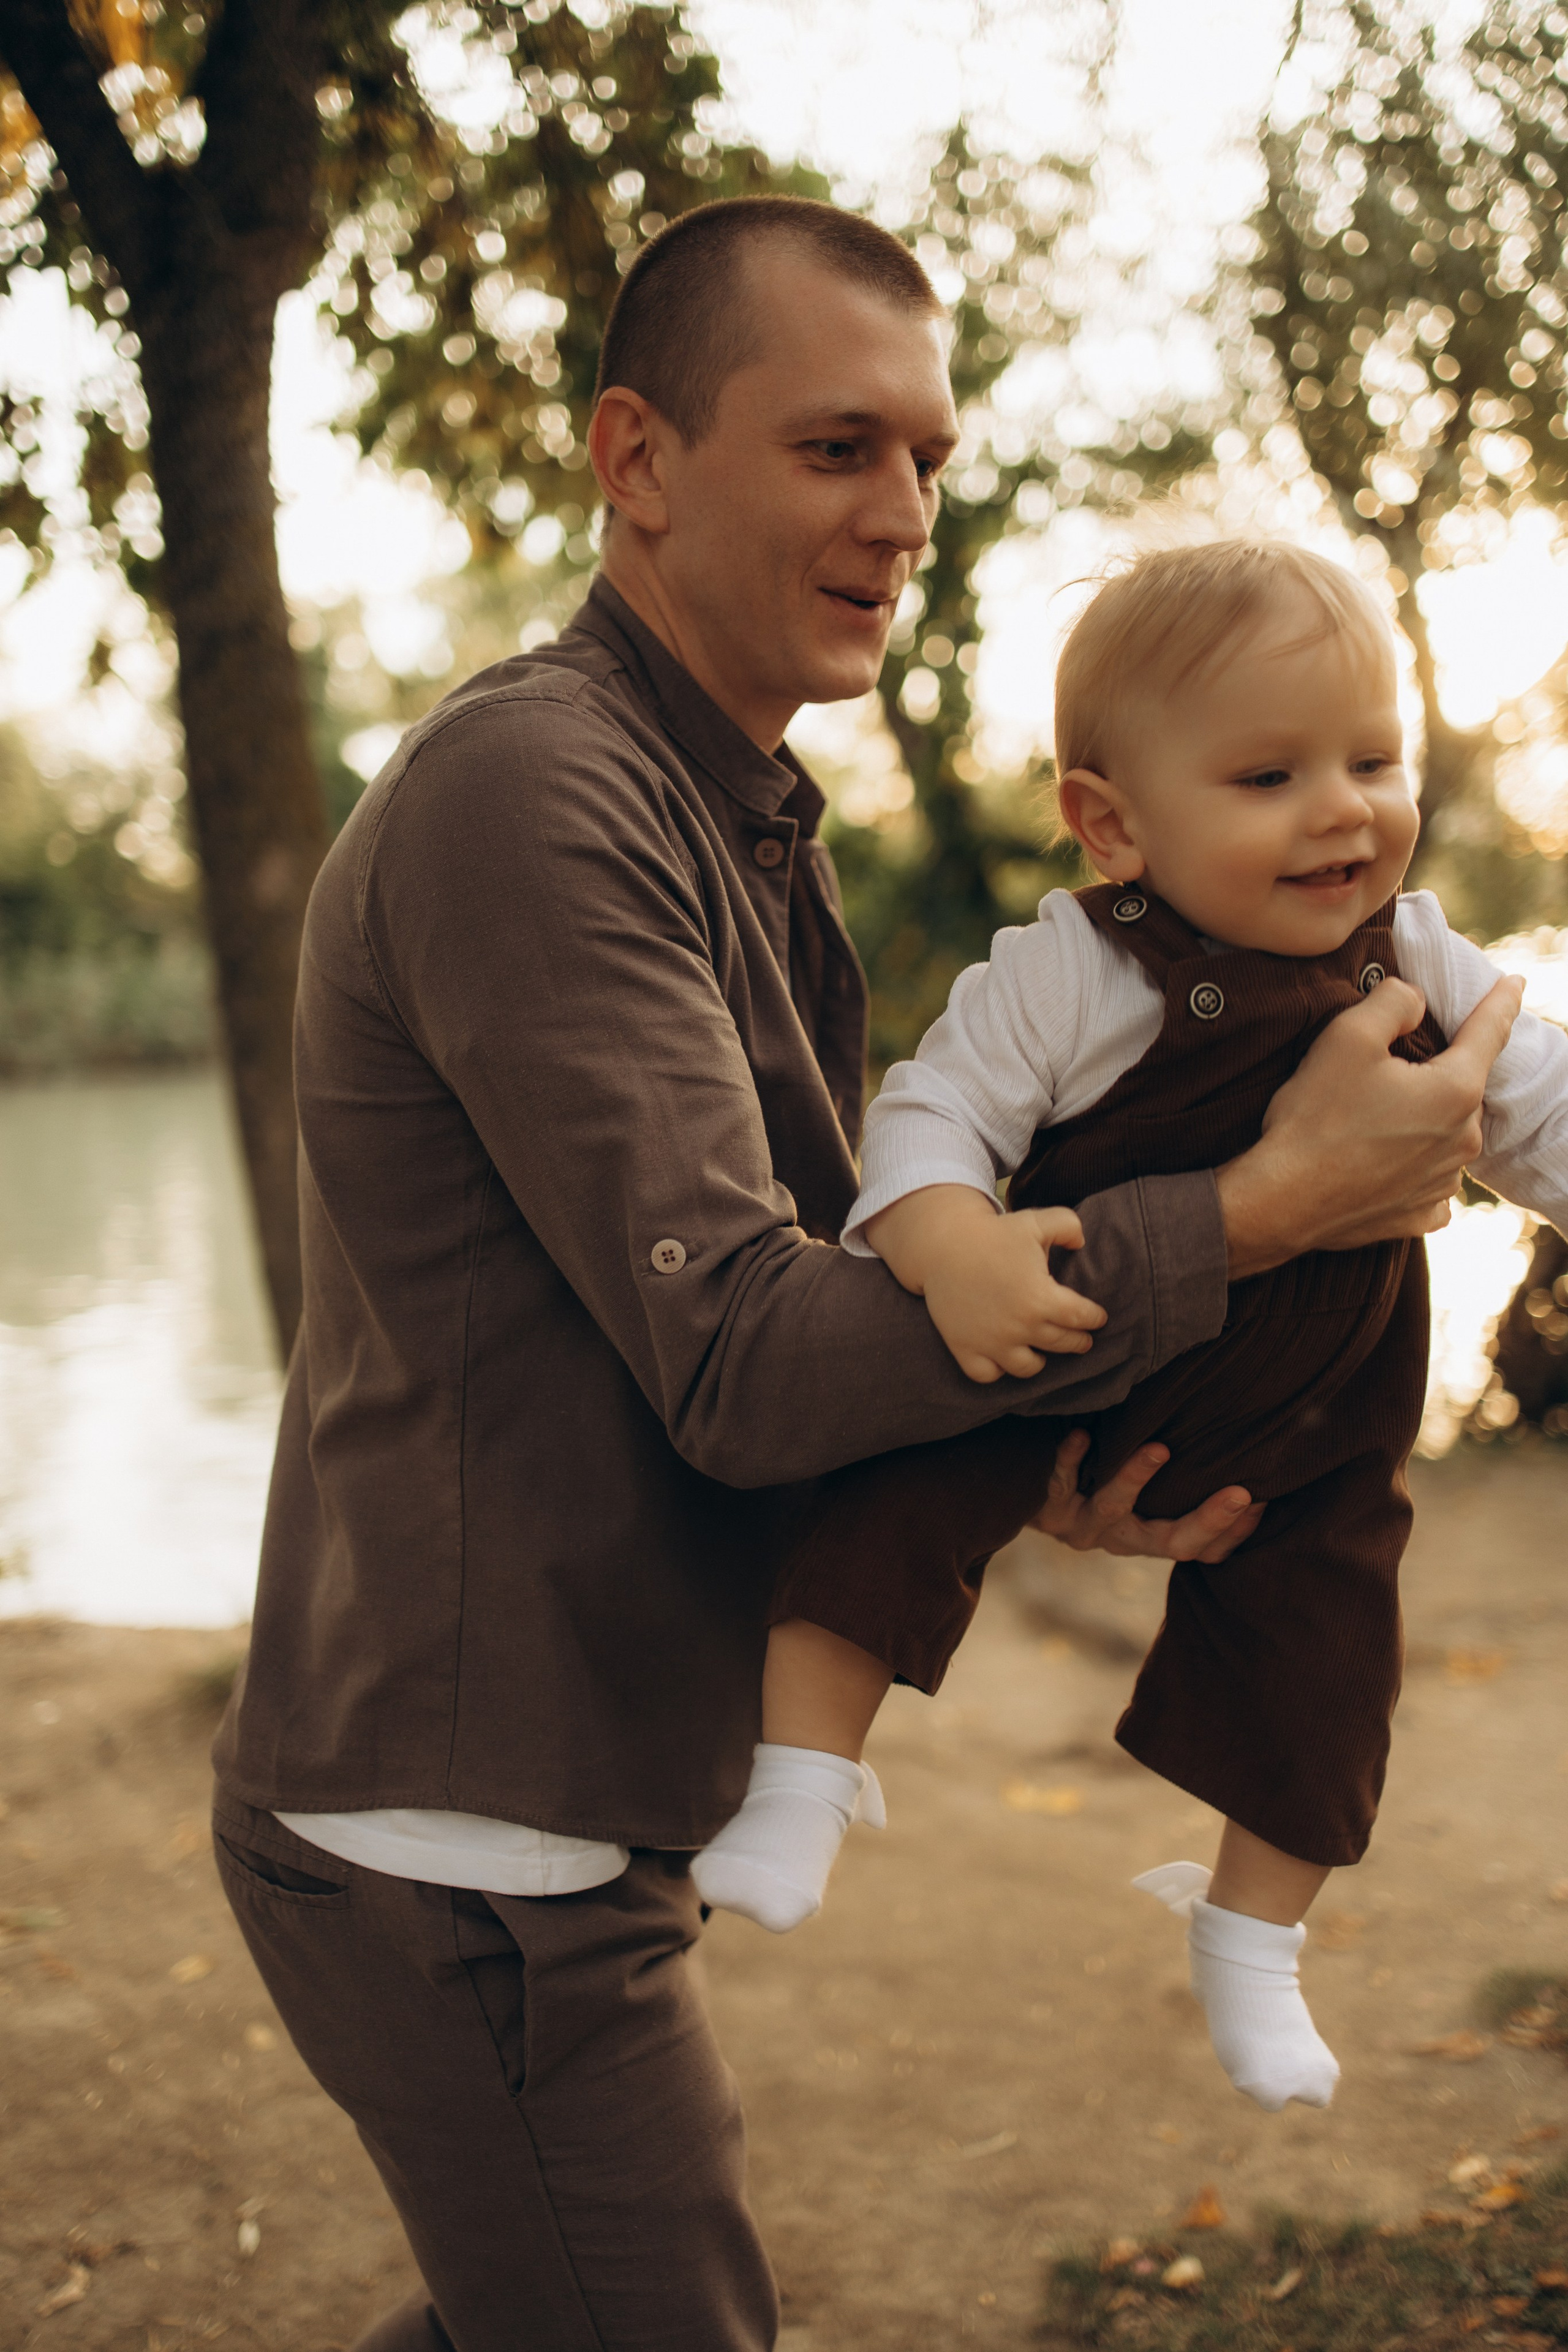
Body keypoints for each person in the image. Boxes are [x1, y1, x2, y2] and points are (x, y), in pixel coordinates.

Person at [209, 202, 1517, 2352]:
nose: (903, 508)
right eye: (836, 448)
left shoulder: (733, 813)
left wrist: (1077, 1443)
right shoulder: (538, 800)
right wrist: (1268, 1211)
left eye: (925, 453)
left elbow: (863, 1309)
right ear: (637, 460)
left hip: (581, 1793)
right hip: (466, 1834)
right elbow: (745, 1355)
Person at [693, 538, 1562, 2119]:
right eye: (1269, 773)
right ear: (1115, 824)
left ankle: (1252, 1944)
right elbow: (933, 1114)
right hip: (1064, 1363)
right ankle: (803, 1781)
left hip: (1310, 1433)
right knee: (887, 1507)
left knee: (1327, 1663)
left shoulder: (1425, 961)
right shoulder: (1075, 967)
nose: (1344, 807)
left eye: (1377, 759)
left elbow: (1541, 1110)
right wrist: (949, 1239)